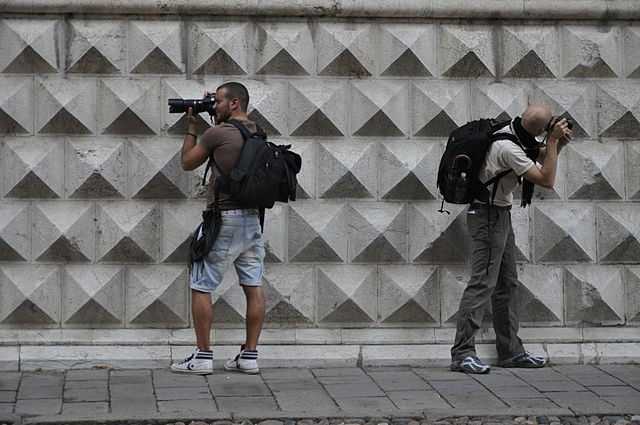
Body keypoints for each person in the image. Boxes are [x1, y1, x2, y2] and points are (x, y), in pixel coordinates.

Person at [450, 104, 573, 374]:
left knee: (506, 284)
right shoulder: (508, 148)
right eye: (548, 126)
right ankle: (462, 353)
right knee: (483, 282)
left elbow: (540, 156)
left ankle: (510, 352)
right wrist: (552, 141)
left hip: (499, 215)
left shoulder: (515, 132)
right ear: (539, 129)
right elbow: (546, 178)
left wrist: (556, 144)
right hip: (488, 217)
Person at [171, 82, 266, 375]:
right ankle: (249, 355)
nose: (214, 106)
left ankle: (202, 356)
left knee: (201, 284)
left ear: (235, 103)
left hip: (224, 218)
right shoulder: (258, 132)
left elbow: (187, 162)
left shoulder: (217, 133)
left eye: (218, 102)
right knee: (253, 286)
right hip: (253, 220)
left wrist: (191, 126)